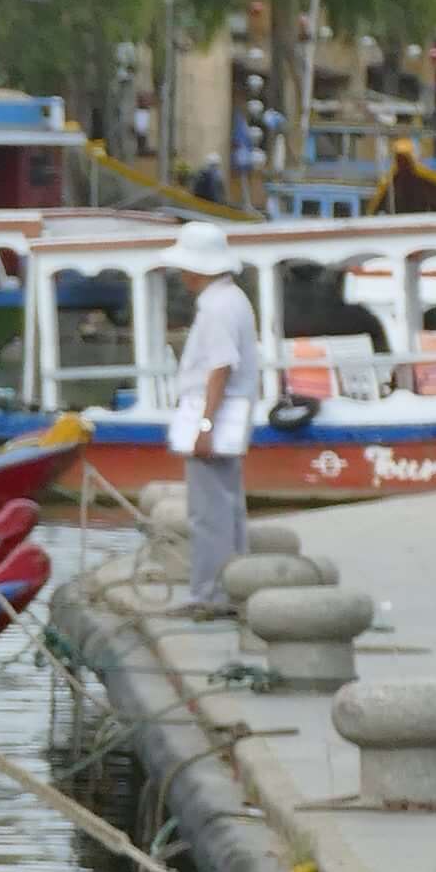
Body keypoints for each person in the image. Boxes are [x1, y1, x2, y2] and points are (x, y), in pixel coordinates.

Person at [168, 245, 259, 608]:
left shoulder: (216, 308)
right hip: (231, 416)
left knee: (208, 514)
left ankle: (209, 595)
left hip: (213, 418)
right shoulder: (234, 299)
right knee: (228, 507)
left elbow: (220, 367)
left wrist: (205, 424)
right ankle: (236, 586)